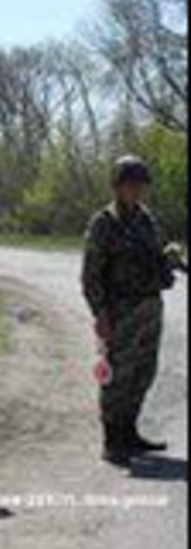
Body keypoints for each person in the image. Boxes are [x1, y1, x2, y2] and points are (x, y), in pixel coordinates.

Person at [82, 156, 182, 467]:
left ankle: (130, 433)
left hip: (150, 306)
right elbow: (91, 274)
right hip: (120, 310)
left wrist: (170, 254)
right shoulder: (104, 223)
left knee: (144, 372)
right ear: (117, 186)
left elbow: (154, 253)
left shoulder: (146, 219)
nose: (138, 190)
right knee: (118, 376)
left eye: (142, 184)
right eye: (131, 184)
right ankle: (112, 441)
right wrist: (100, 314)